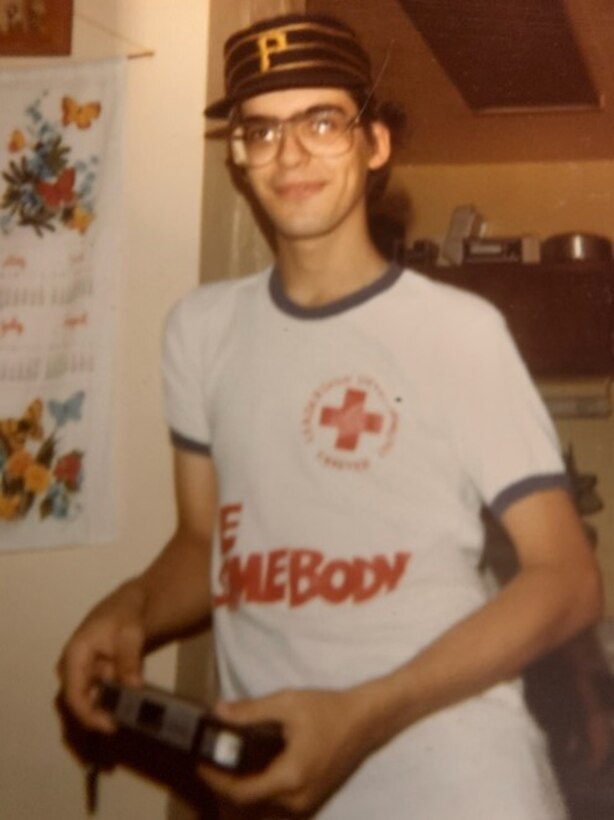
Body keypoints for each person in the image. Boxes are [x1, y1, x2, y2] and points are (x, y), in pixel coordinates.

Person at [58, 13, 604, 819]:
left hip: (458, 783)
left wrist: (363, 714)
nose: (290, 155)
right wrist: (130, 608)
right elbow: (207, 543)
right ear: (239, 156)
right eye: (262, 130)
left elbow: (569, 579)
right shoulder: (200, 331)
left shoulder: (457, 332)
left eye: (322, 122)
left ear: (374, 144)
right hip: (274, 782)